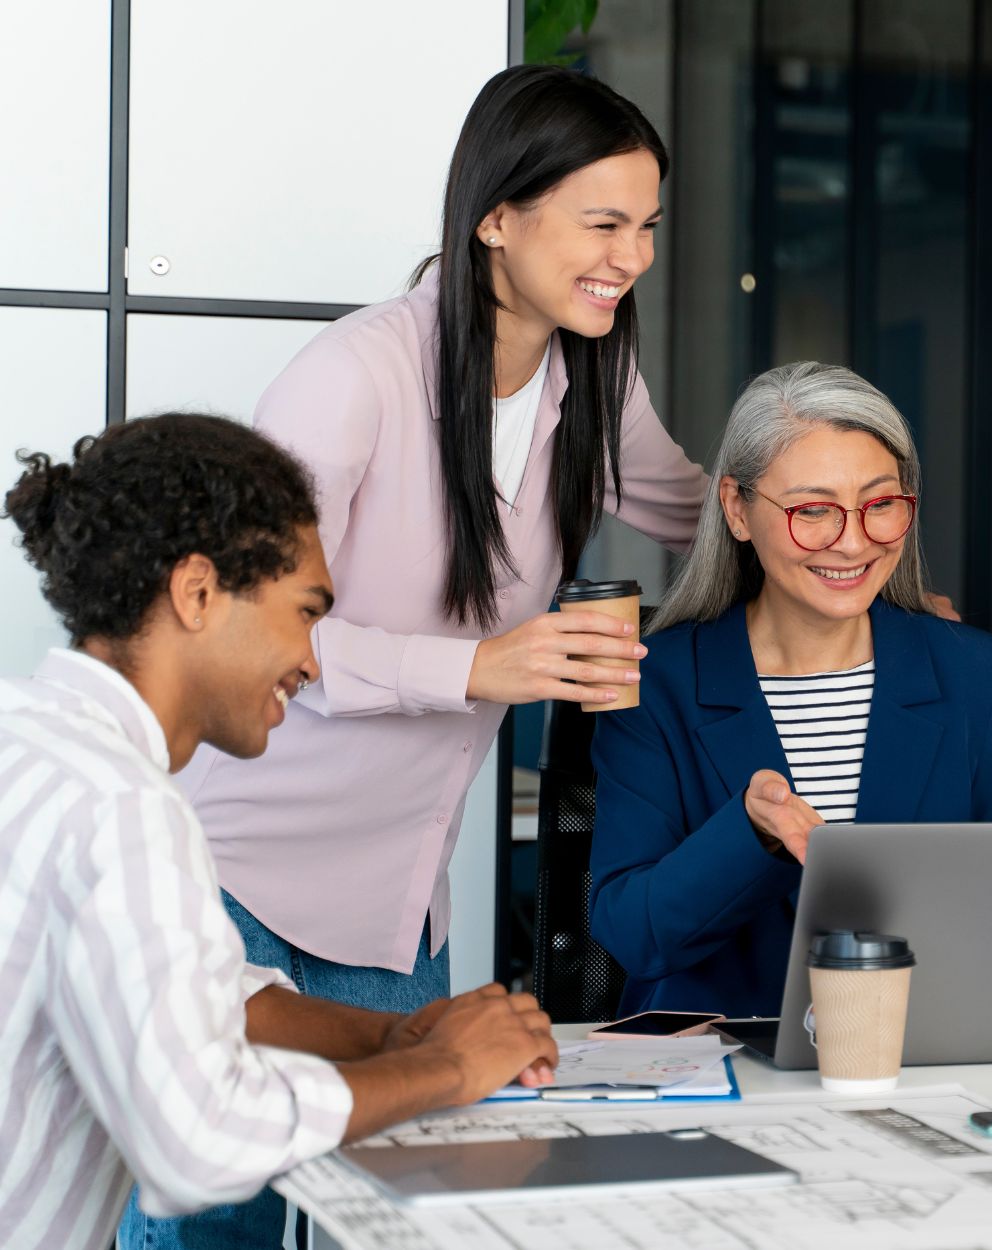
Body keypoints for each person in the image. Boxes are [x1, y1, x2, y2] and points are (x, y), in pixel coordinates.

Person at [135, 64, 705, 1247]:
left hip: (393, 903)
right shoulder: (355, 377)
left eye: (646, 227)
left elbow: (704, 510)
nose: (631, 255)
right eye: (604, 223)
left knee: (385, 1221)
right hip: (230, 875)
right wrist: (476, 667)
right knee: (216, 1224)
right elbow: (239, 630)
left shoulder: (593, 382)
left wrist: (845, 544)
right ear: (497, 215)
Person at [0, 415, 558, 1250]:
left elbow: (204, 994)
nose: (310, 656)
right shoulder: (124, 809)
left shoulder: (30, 735)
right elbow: (200, 1144)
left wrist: (397, 1034)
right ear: (196, 593)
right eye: (305, 613)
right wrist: (444, 1070)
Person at [589, 363, 992, 1017]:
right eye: (814, 511)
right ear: (737, 510)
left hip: (918, 1052)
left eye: (880, 504)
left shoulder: (972, 673)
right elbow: (633, 933)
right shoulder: (658, 682)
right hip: (723, 1060)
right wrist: (749, 835)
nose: (853, 542)